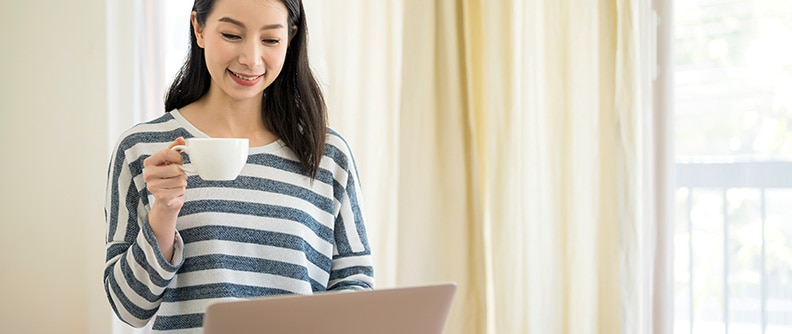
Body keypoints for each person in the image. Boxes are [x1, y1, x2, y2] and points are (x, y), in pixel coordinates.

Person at [103, 0, 374, 332]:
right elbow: (130, 308)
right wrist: (164, 212)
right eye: (232, 34)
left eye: (271, 40)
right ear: (199, 28)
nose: (251, 58)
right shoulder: (142, 150)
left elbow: (355, 286)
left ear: (291, 38)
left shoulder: (328, 154)